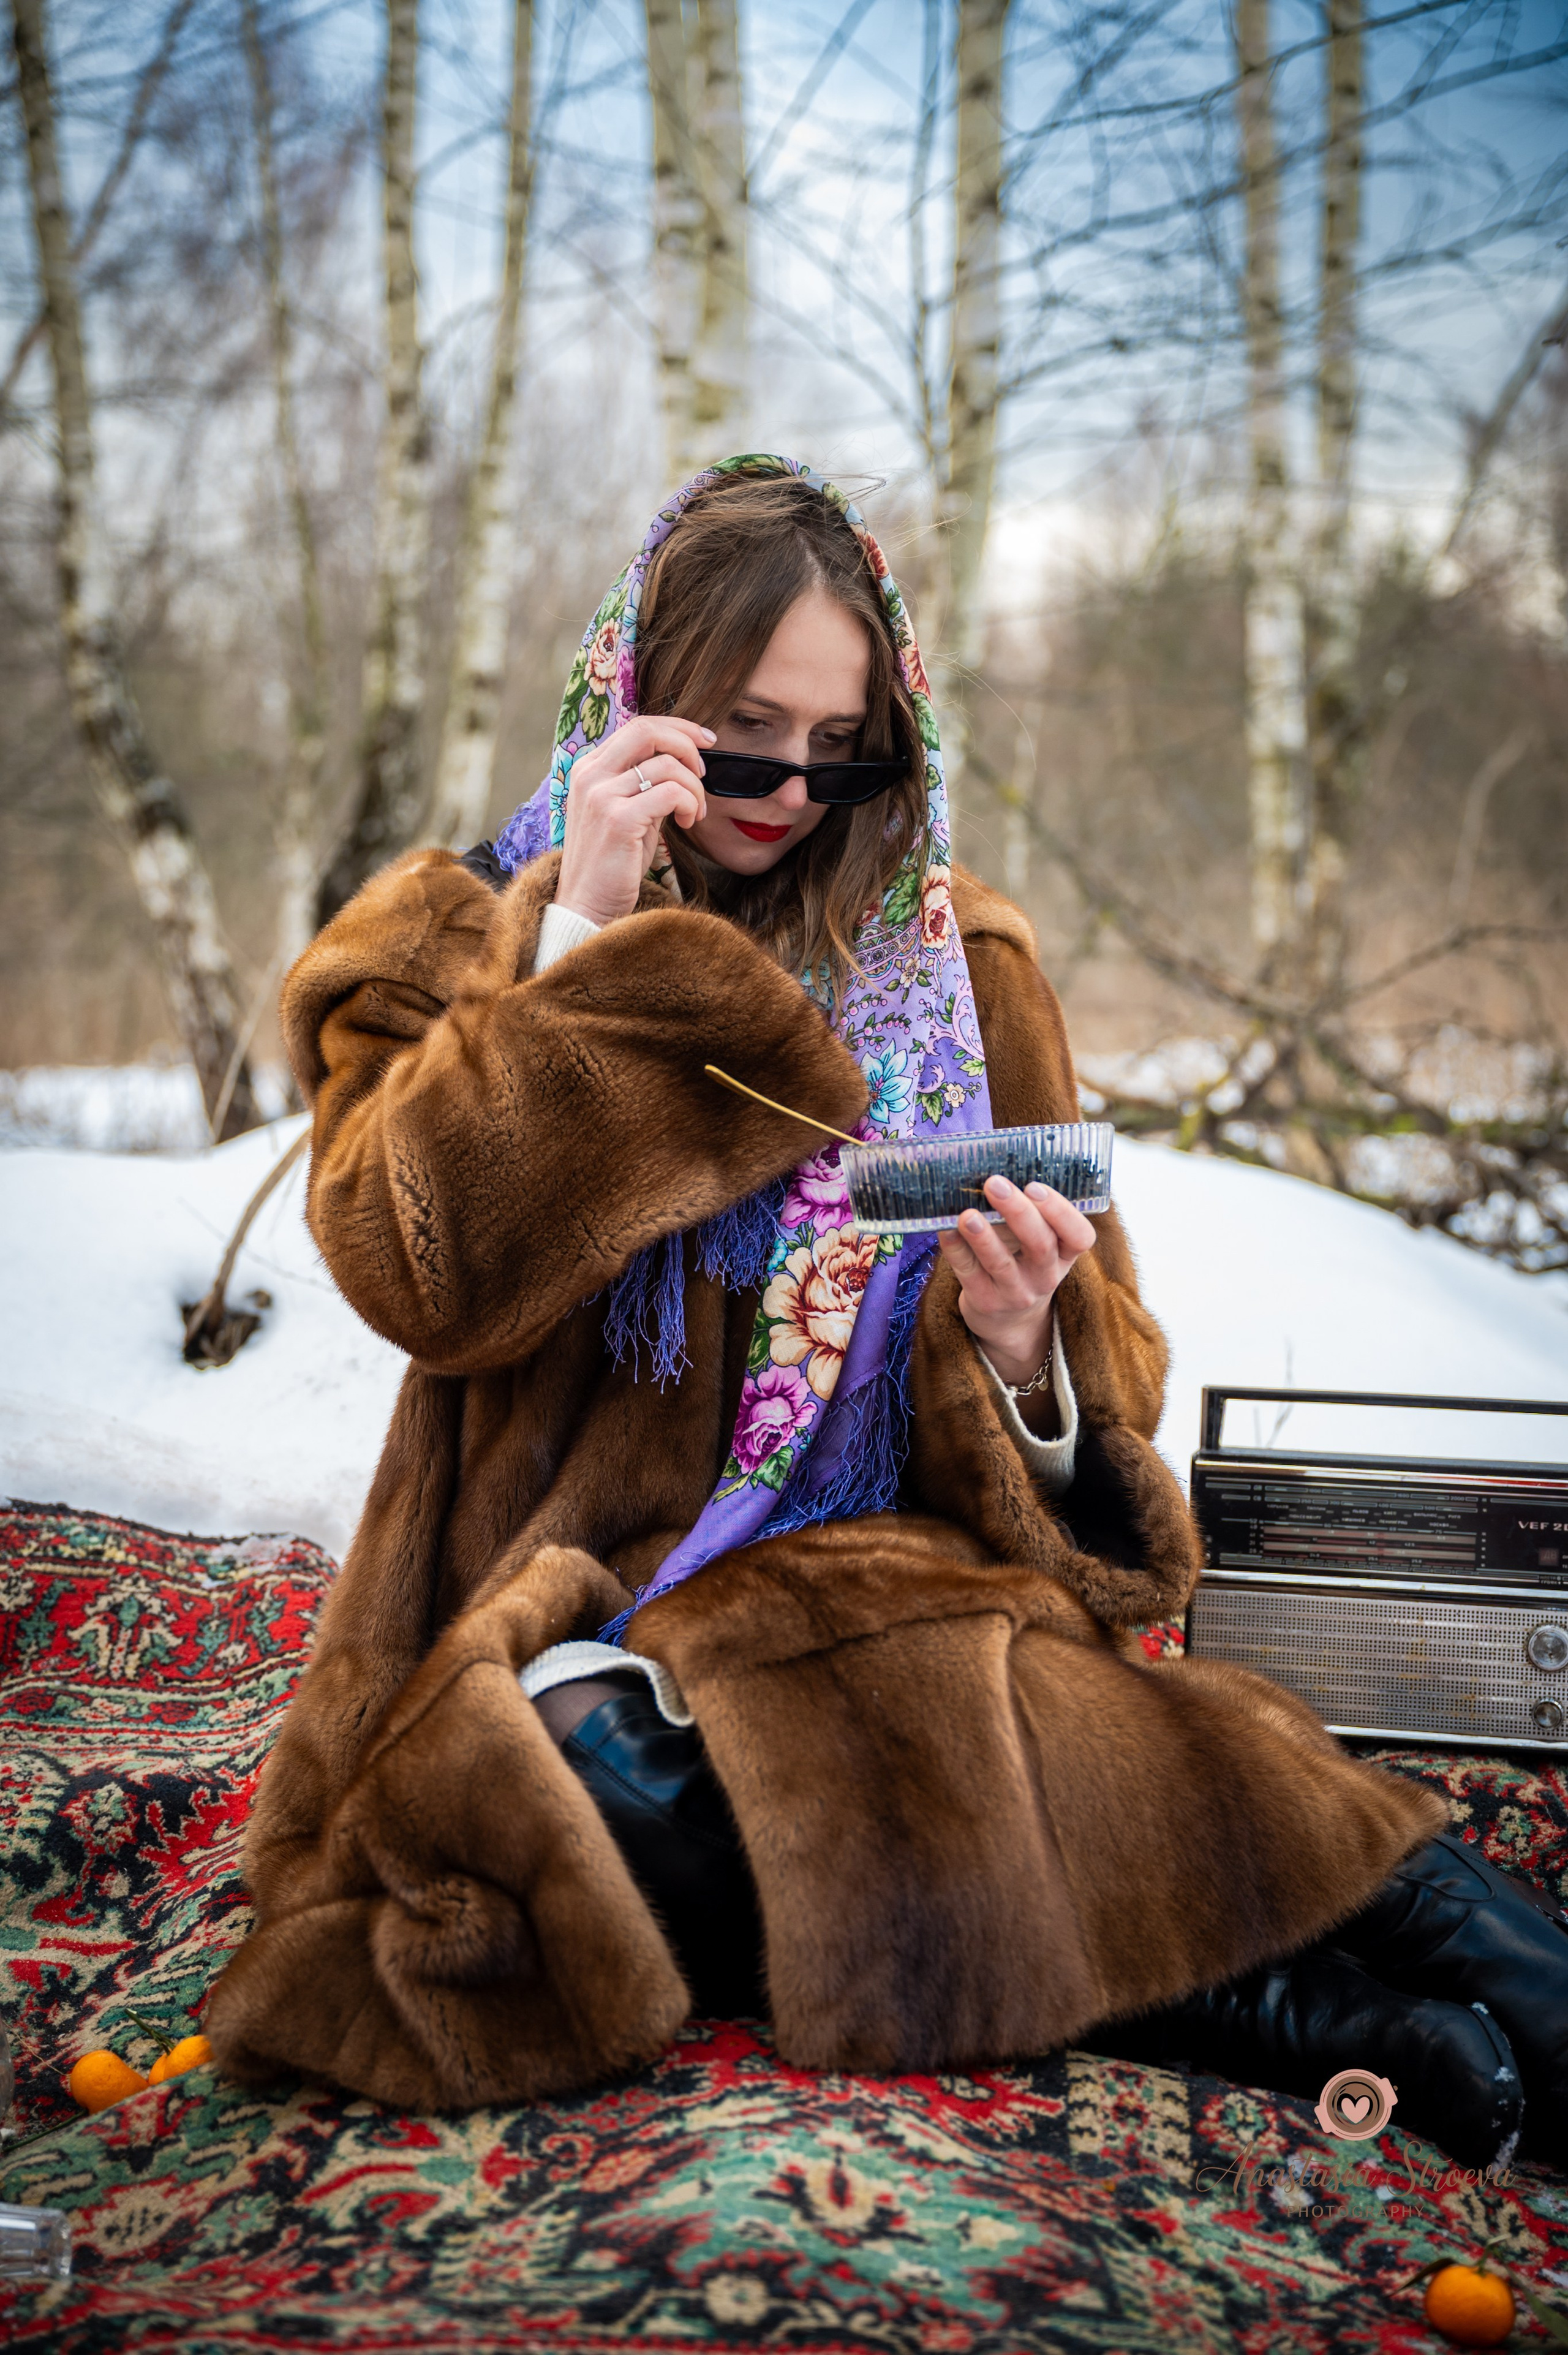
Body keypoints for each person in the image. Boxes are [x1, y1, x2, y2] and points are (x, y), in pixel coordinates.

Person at [208, 458, 1567, 2169]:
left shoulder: (964, 964)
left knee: (1255, 1792)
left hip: (895, 1589)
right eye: (745, 734)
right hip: (580, 1611)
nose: (790, 786)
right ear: (638, 700)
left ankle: (1444, 1989)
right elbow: (426, 1280)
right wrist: (577, 945)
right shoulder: (446, 941)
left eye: (838, 743)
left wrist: (1023, 1365)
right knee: (581, 1777)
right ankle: (1278, 2009)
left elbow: (1109, 1385)